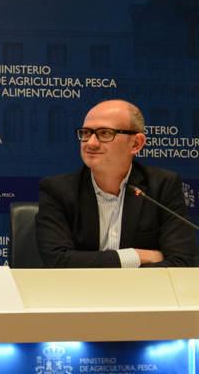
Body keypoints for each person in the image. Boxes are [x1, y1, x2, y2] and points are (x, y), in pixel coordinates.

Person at [36, 99, 199, 268]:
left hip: (142, 286)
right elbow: (57, 262)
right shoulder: (58, 190)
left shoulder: (163, 186)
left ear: (136, 143)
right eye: (86, 133)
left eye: (105, 133)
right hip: (79, 286)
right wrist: (137, 255)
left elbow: (182, 262)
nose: (91, 143)